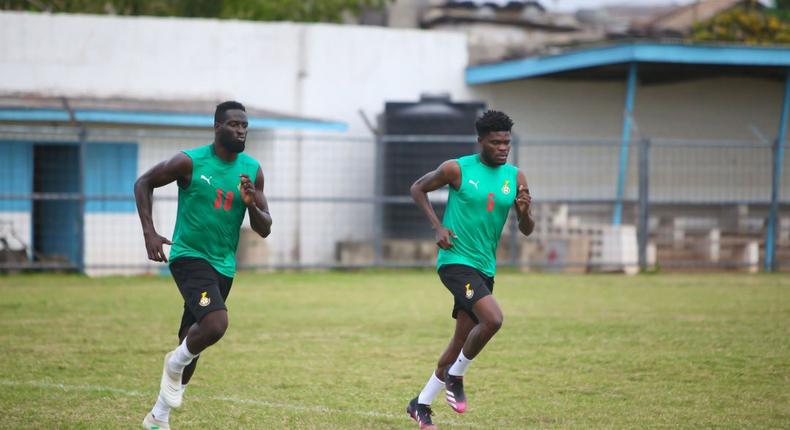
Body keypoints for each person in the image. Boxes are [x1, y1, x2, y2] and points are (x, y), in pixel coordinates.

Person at [135, 101, 272, 430]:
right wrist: (150, 233)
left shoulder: (252, 170)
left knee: (191, 338)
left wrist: (252, 204)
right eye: (234, 125)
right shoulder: (189, 161)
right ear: (217, 127)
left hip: (224, 266)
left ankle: (157, 418)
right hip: (189, 256)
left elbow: (264, 227)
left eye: (245, 127)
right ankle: (174, 362)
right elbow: (144, 183)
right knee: (214, 325)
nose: (241, 131)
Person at [405, 110, 534, 429]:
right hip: (455, 261)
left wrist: (525, 212)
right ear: (480, 141)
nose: (503, 147)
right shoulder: (456, 169)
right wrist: (437, 227)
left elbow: (527, 229)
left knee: (461, 340)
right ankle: (456, 376)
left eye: (506, 142)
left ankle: (420, 404)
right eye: (495, 142)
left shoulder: (515, 177)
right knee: (493, 319)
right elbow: (417, 188)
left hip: (484, 268)